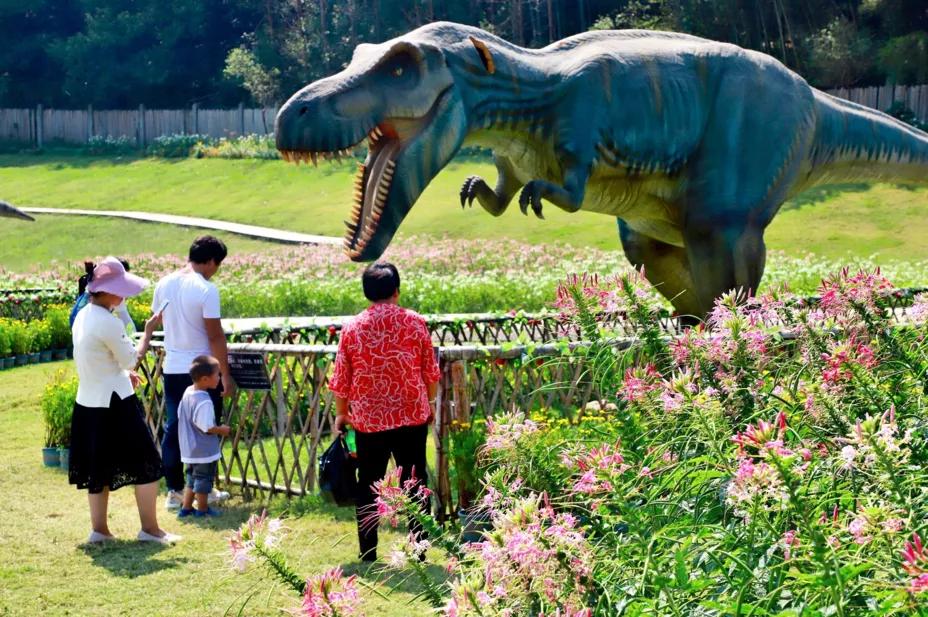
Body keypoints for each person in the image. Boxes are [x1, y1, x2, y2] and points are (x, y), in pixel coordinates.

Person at [328, 262, 440, 562]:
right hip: (411, 415)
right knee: (415, 483)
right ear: (396, 290)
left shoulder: (352, 327)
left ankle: (368, 551)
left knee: (368, 485)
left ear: (367, 293)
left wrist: (341, 413)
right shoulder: (415, 322)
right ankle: (419, 549)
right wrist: (428, 403)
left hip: (369, 421)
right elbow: (430, 372)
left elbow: (342, 378)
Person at [69, 256, 180, 544]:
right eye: (120, 289)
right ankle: (150, 529)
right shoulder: (108, 321)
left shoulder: (83, 315)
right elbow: (132, 359)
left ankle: (100, 530)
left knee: (98, 469)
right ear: (105, 291)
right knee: (148, 464)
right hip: (115, 403)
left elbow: (92, 357)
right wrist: (148, 332)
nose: (123, 296)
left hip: (89, 401)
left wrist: (119, 373)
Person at [152, 235, 235, 510]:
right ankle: (204, 489)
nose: (215, 270)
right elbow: (215, 335)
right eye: (217, 264)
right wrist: (224, 373)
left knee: (174, 428)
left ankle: (175, 489)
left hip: (173, 366)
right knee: (206, 429)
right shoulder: (206, 289)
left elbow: (160, 319)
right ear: (211, 261)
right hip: (202, 369)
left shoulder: (164, 283)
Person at [177, 355, 231, 518]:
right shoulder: (204, 401)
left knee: (192, 479)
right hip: (203, 450)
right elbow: (206, 427)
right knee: (203, 479)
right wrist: (222, 429)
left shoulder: (188, 392)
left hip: (189, 448)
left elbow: (181, 413)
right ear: (206, 379)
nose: (219, 378)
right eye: (218, 375)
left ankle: (186, 508)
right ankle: (202, 509)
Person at [70, 259, 137, 333]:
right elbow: (126, 322)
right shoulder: (110, 292)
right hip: (88, 329)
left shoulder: (95, 283)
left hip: (78, 326)